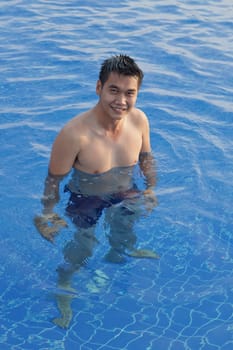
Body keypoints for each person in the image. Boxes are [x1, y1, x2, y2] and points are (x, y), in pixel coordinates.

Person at [34, 54, 158, 328]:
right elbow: (53, 180)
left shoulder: (139, 121)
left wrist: (150, 189)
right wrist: (46, 213)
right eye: (114, 90)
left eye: (130, 93)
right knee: (84, 245)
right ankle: (64, 284)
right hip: (86, 197)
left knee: (125, 230)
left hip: (125, 190)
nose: (121, 101)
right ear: (98, 87)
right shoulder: (74, 134)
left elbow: (146, 157)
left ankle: (121, 252)